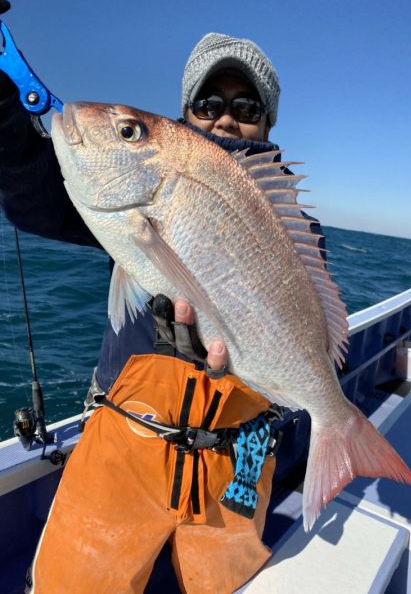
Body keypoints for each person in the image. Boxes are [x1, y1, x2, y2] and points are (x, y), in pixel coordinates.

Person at [0, 32, 314, 593]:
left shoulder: (297, 228)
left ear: (268, 123)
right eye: (208, 103)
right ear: (184, 113)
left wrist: (281, 380)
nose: (223, 119)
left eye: (245, 107)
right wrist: (7, 122)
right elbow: (38, 197)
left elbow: (305, 337)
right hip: (126, 444)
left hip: (236, 456)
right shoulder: (136, 187)